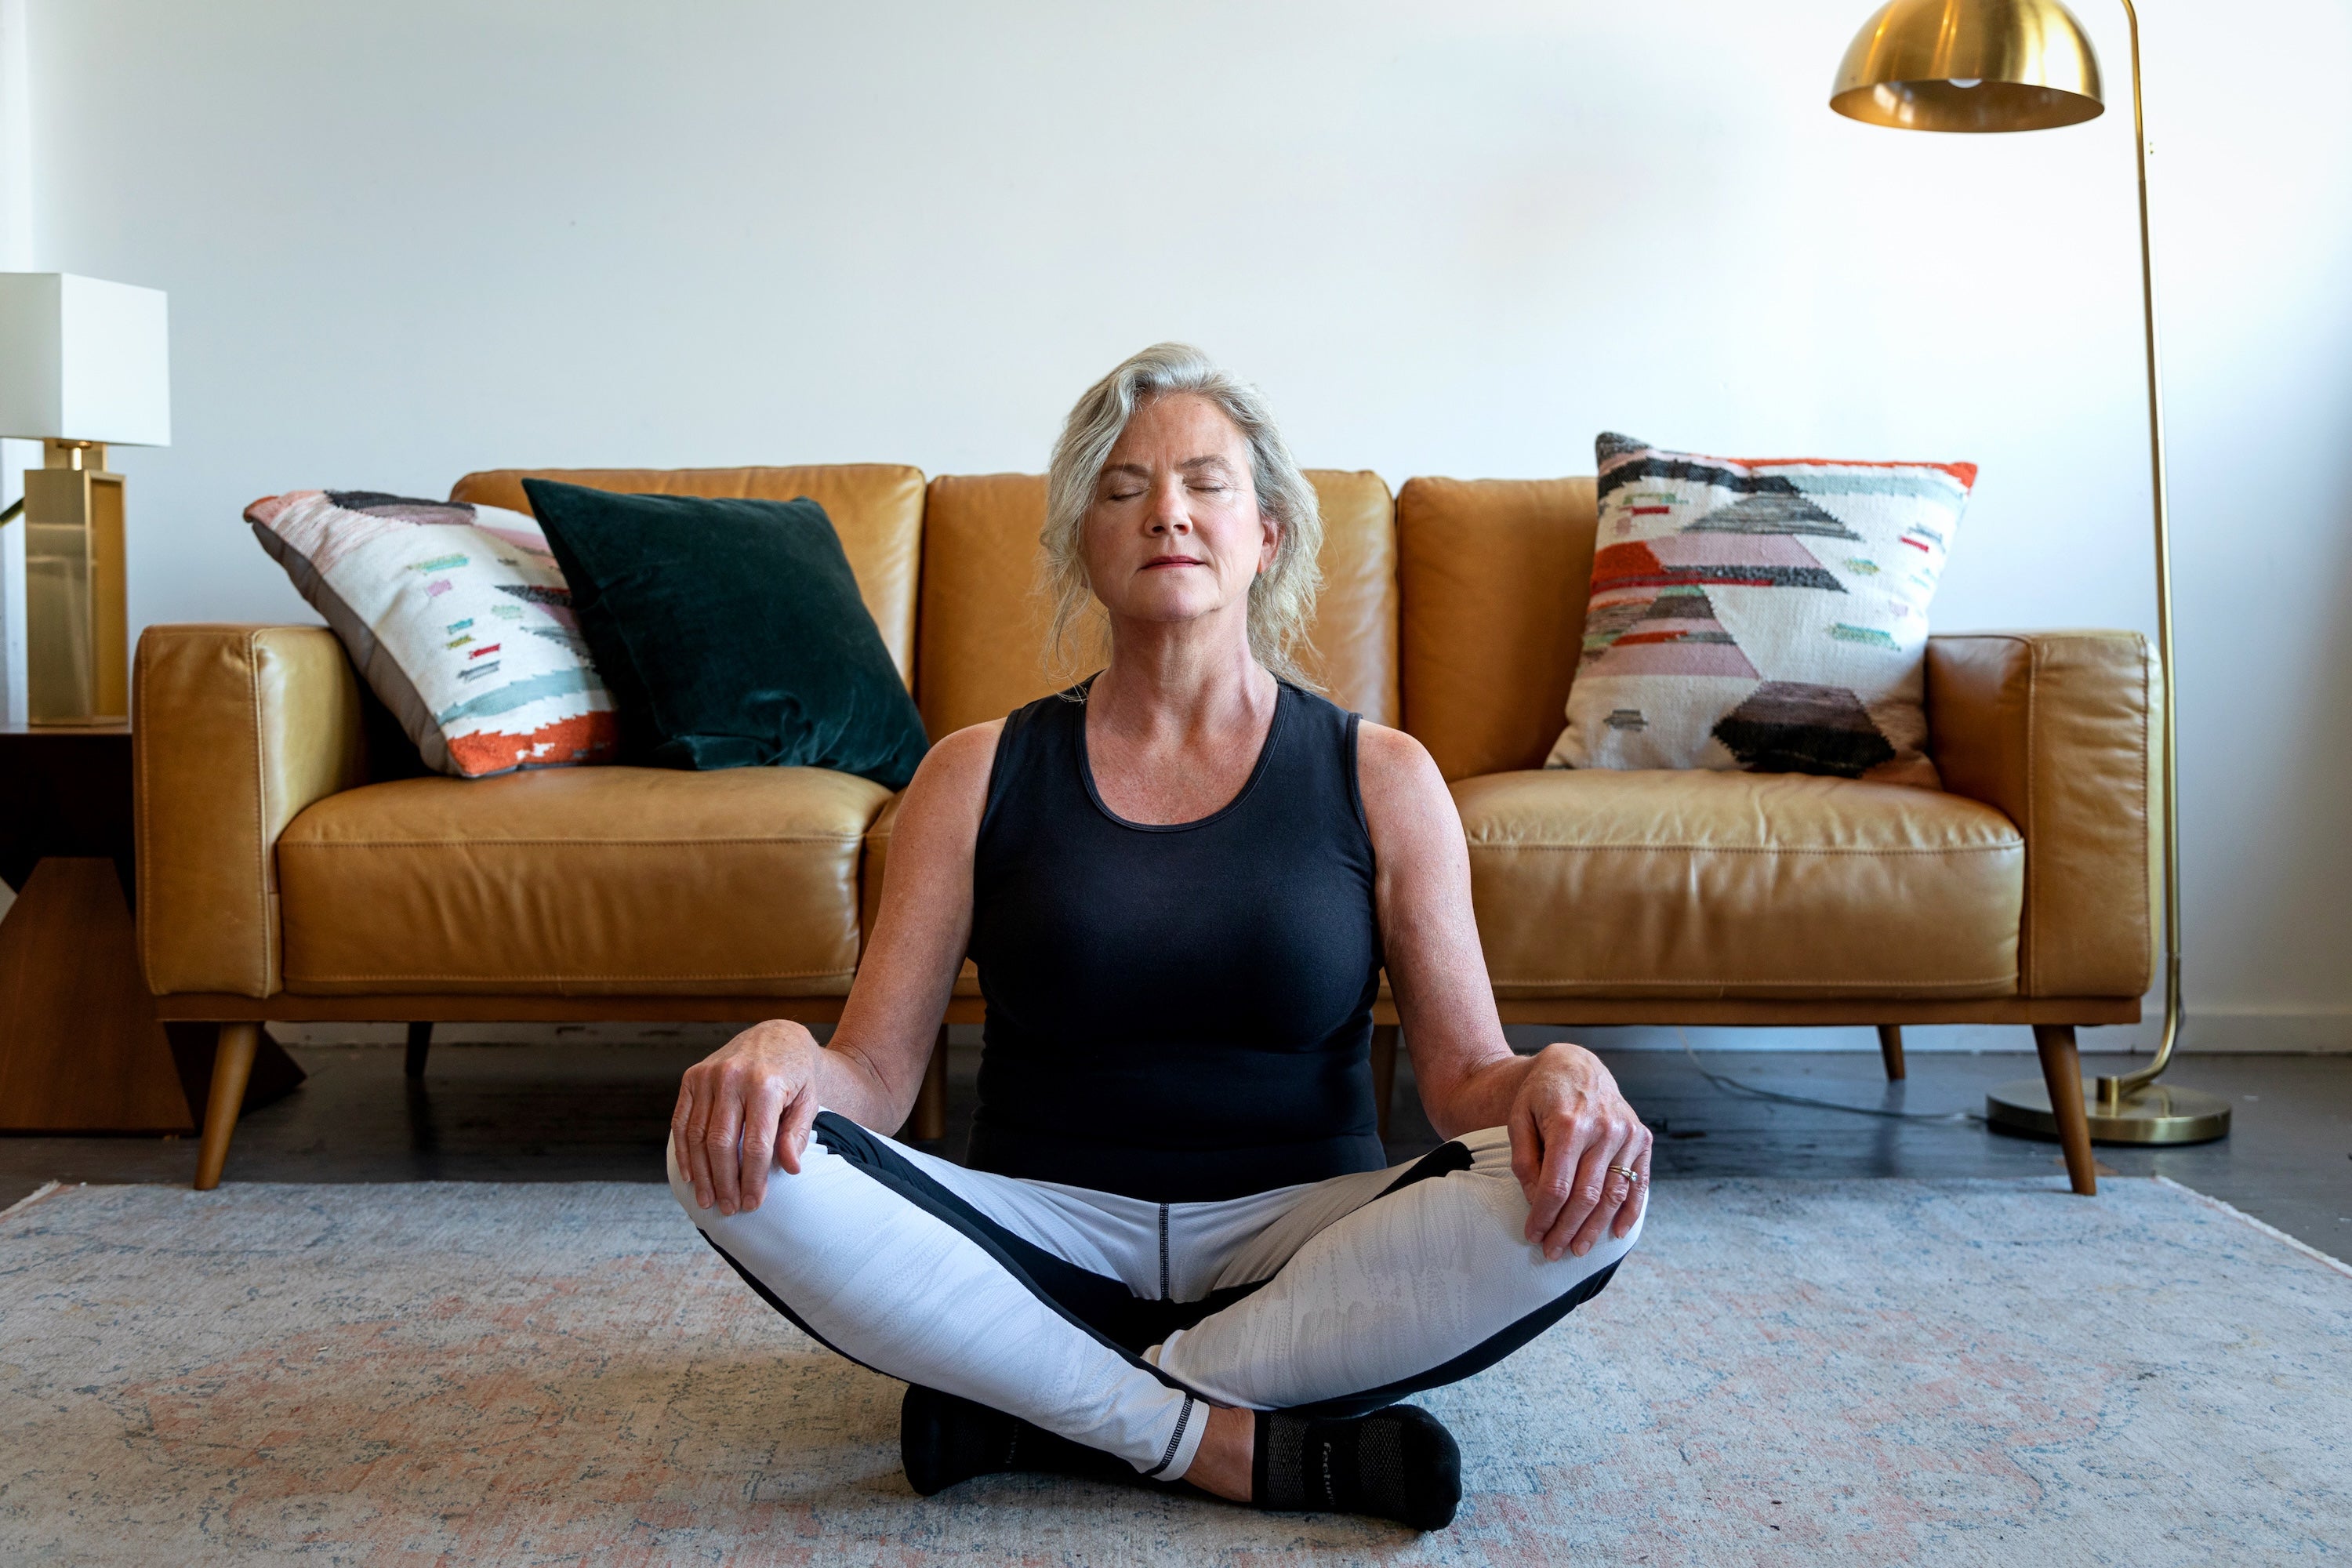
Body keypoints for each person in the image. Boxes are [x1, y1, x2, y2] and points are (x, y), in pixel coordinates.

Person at [669, 343, 1653, 1531]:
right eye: (1123, 489)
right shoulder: (974, 773)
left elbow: (1463, 1085)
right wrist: (778, 1049)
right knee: (718, 1152)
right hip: (1042, 1232)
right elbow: (871, 1080)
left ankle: (1039, 1404)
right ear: (1082, 541)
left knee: (1598, 1191)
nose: (1167, 512)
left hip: (1305, 1242)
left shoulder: (1381, 775)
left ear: (1269, 533)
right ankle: (1220, 1437)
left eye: (1206, 483)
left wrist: (1564, 1075)